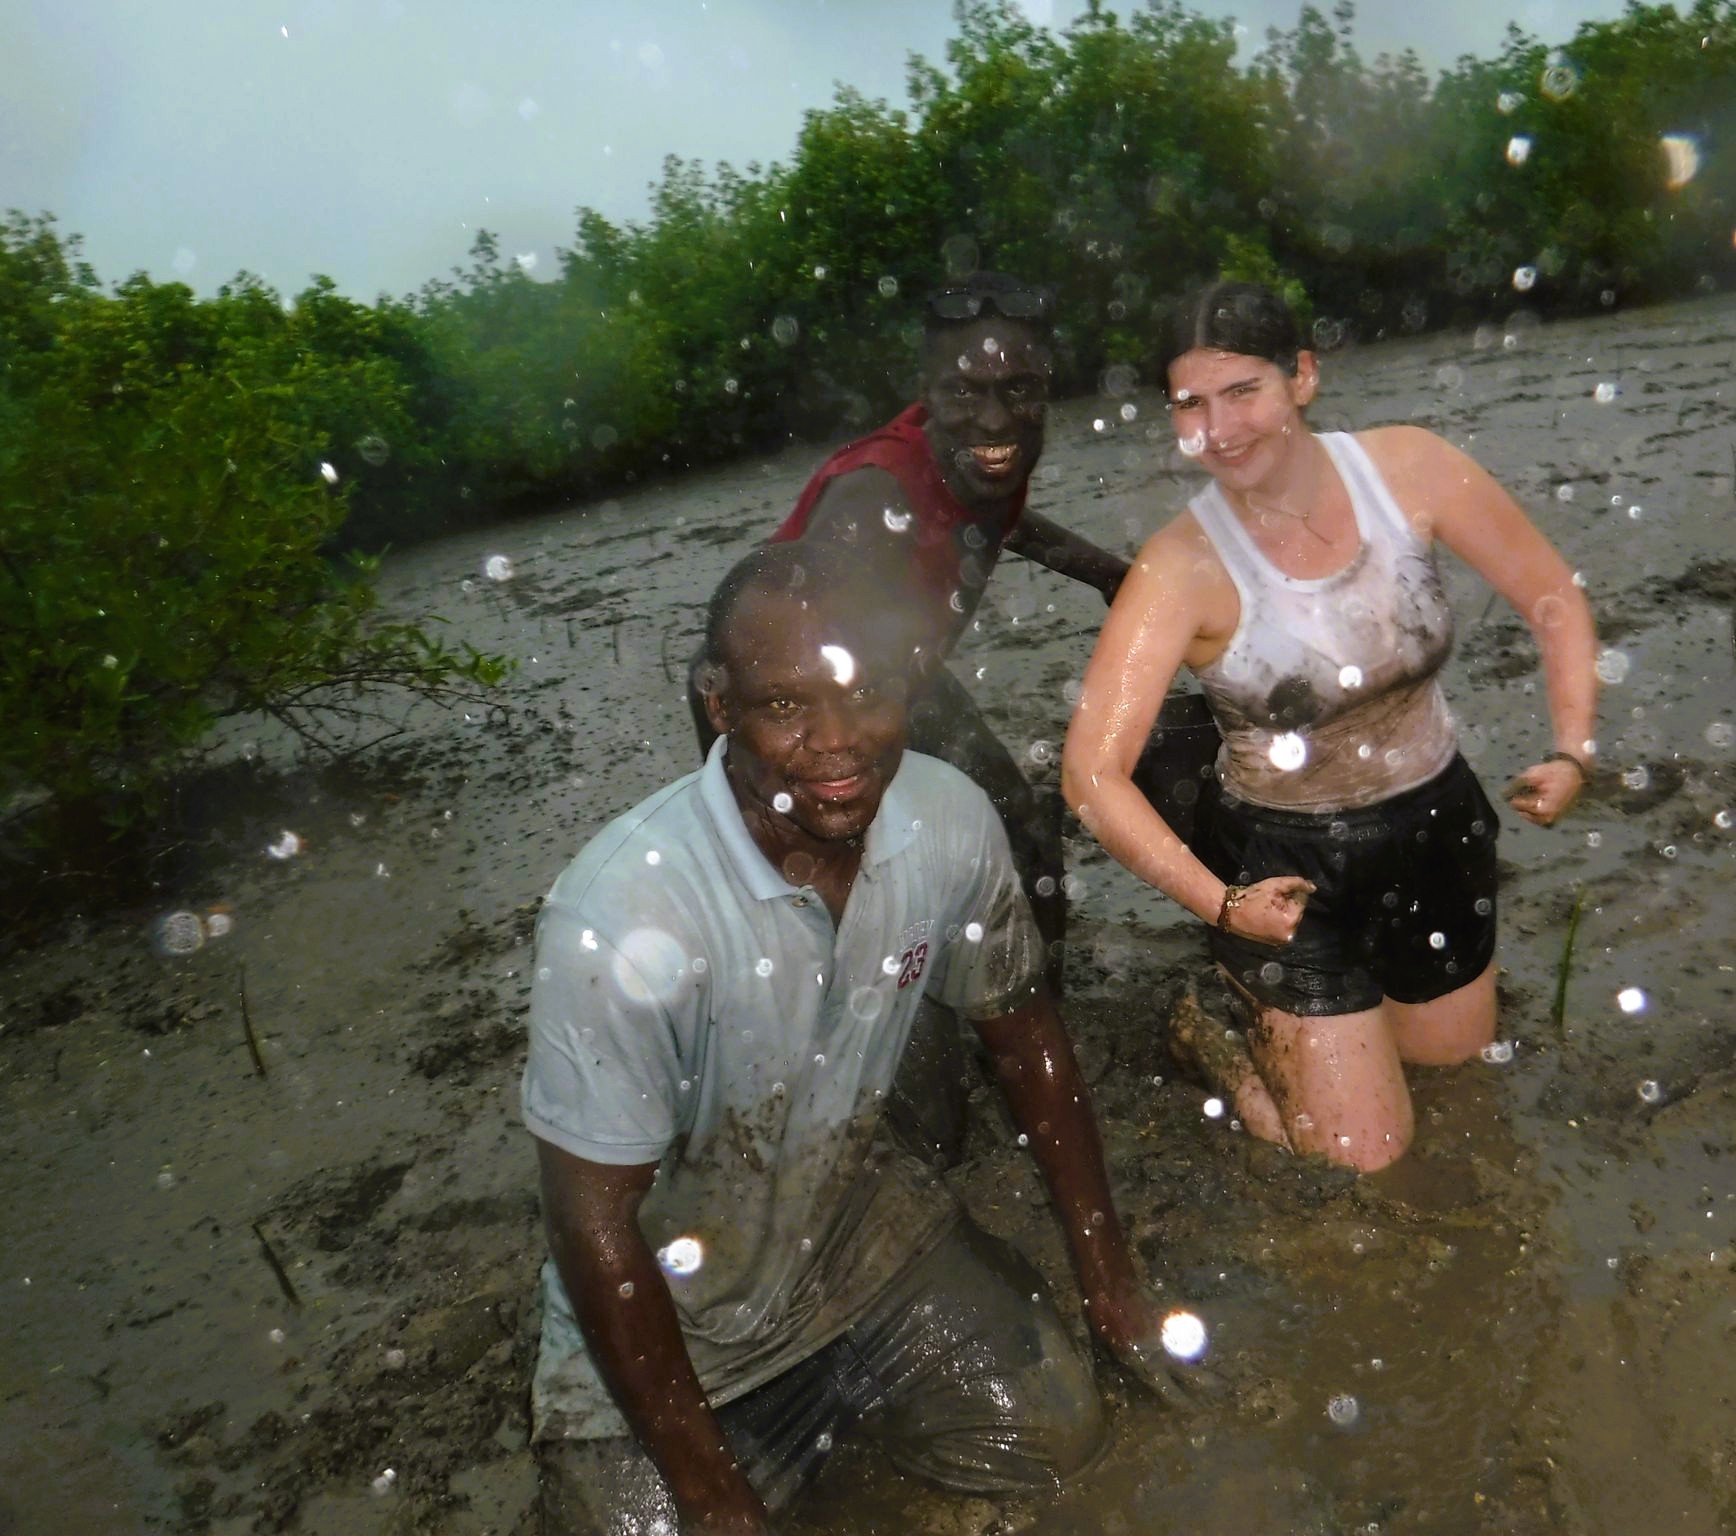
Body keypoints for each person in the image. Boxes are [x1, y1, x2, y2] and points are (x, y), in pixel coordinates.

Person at [527, 543, 1187, 1534]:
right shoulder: (618, 912)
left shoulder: (947, 820)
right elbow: (594, 1225)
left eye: (866, 692)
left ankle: (839, 1418)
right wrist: (712, 1496)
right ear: (719, 703)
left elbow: (1025, 1039)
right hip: (673, 1304)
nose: (840, 741)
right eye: (787, 707)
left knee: (1056, 1435)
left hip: (851, 1229)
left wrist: (1110, 1284)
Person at [1060, 281, 1599, 1174]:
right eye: (1190, 405)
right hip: (1283, 873)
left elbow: (1552, 596)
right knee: (1362, 1163)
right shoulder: (1179, 569)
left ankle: (1334, 1035)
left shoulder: (1410, 469)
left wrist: (1571, 747)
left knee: (1459, 1084)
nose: (1220, 430)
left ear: (1302, 377)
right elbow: (1091, 775)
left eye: (1244, 392)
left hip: (1436, 827)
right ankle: (1215, 1041)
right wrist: (1220, 903)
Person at [692, 273, 1129, 974]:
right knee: (821, 876)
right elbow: (798, 661)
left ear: (1045, 389)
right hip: (788, 694)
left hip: (895, 670)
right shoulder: (871, 501)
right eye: (965, 393)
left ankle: (1022, 996)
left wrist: (1112, 575)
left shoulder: (981, 459)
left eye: (1018, 390)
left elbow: (1001, 520)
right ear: (928, 392)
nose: (994, 420)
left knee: (1018, 828)